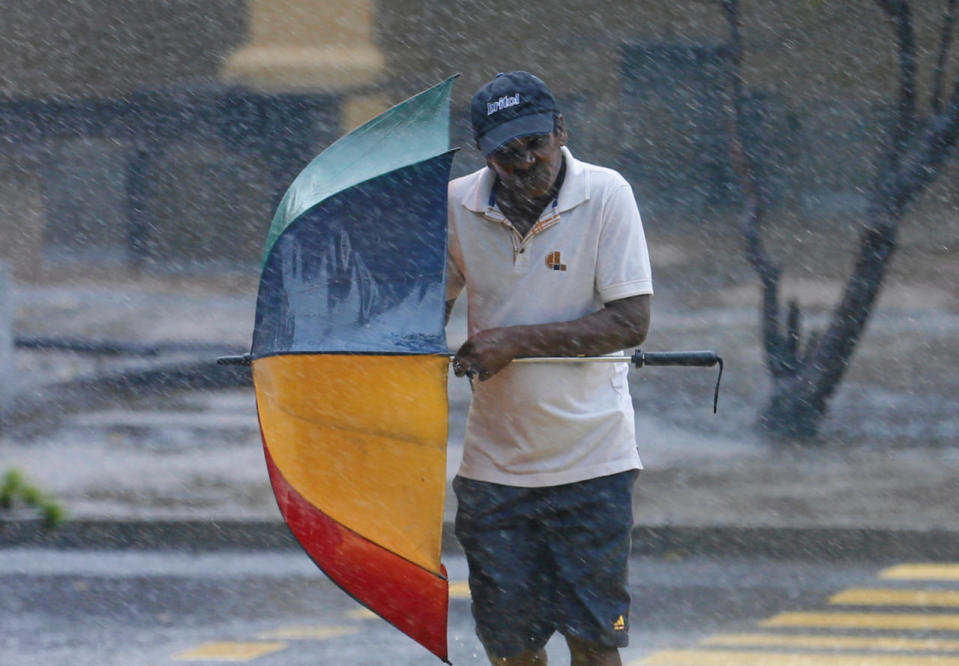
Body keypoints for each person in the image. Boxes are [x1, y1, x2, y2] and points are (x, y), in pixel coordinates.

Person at [445, 71, 653, 666]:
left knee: (594, 642)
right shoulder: (456, 204)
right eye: (507, 153)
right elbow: (425, 310)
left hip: (595, 463)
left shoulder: (607, 193)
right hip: (494, 471)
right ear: (485, 156)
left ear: (561, 130)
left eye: (535, 142)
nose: (525, 161)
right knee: (511, 650)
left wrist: (512, 341)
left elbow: (629, 323)